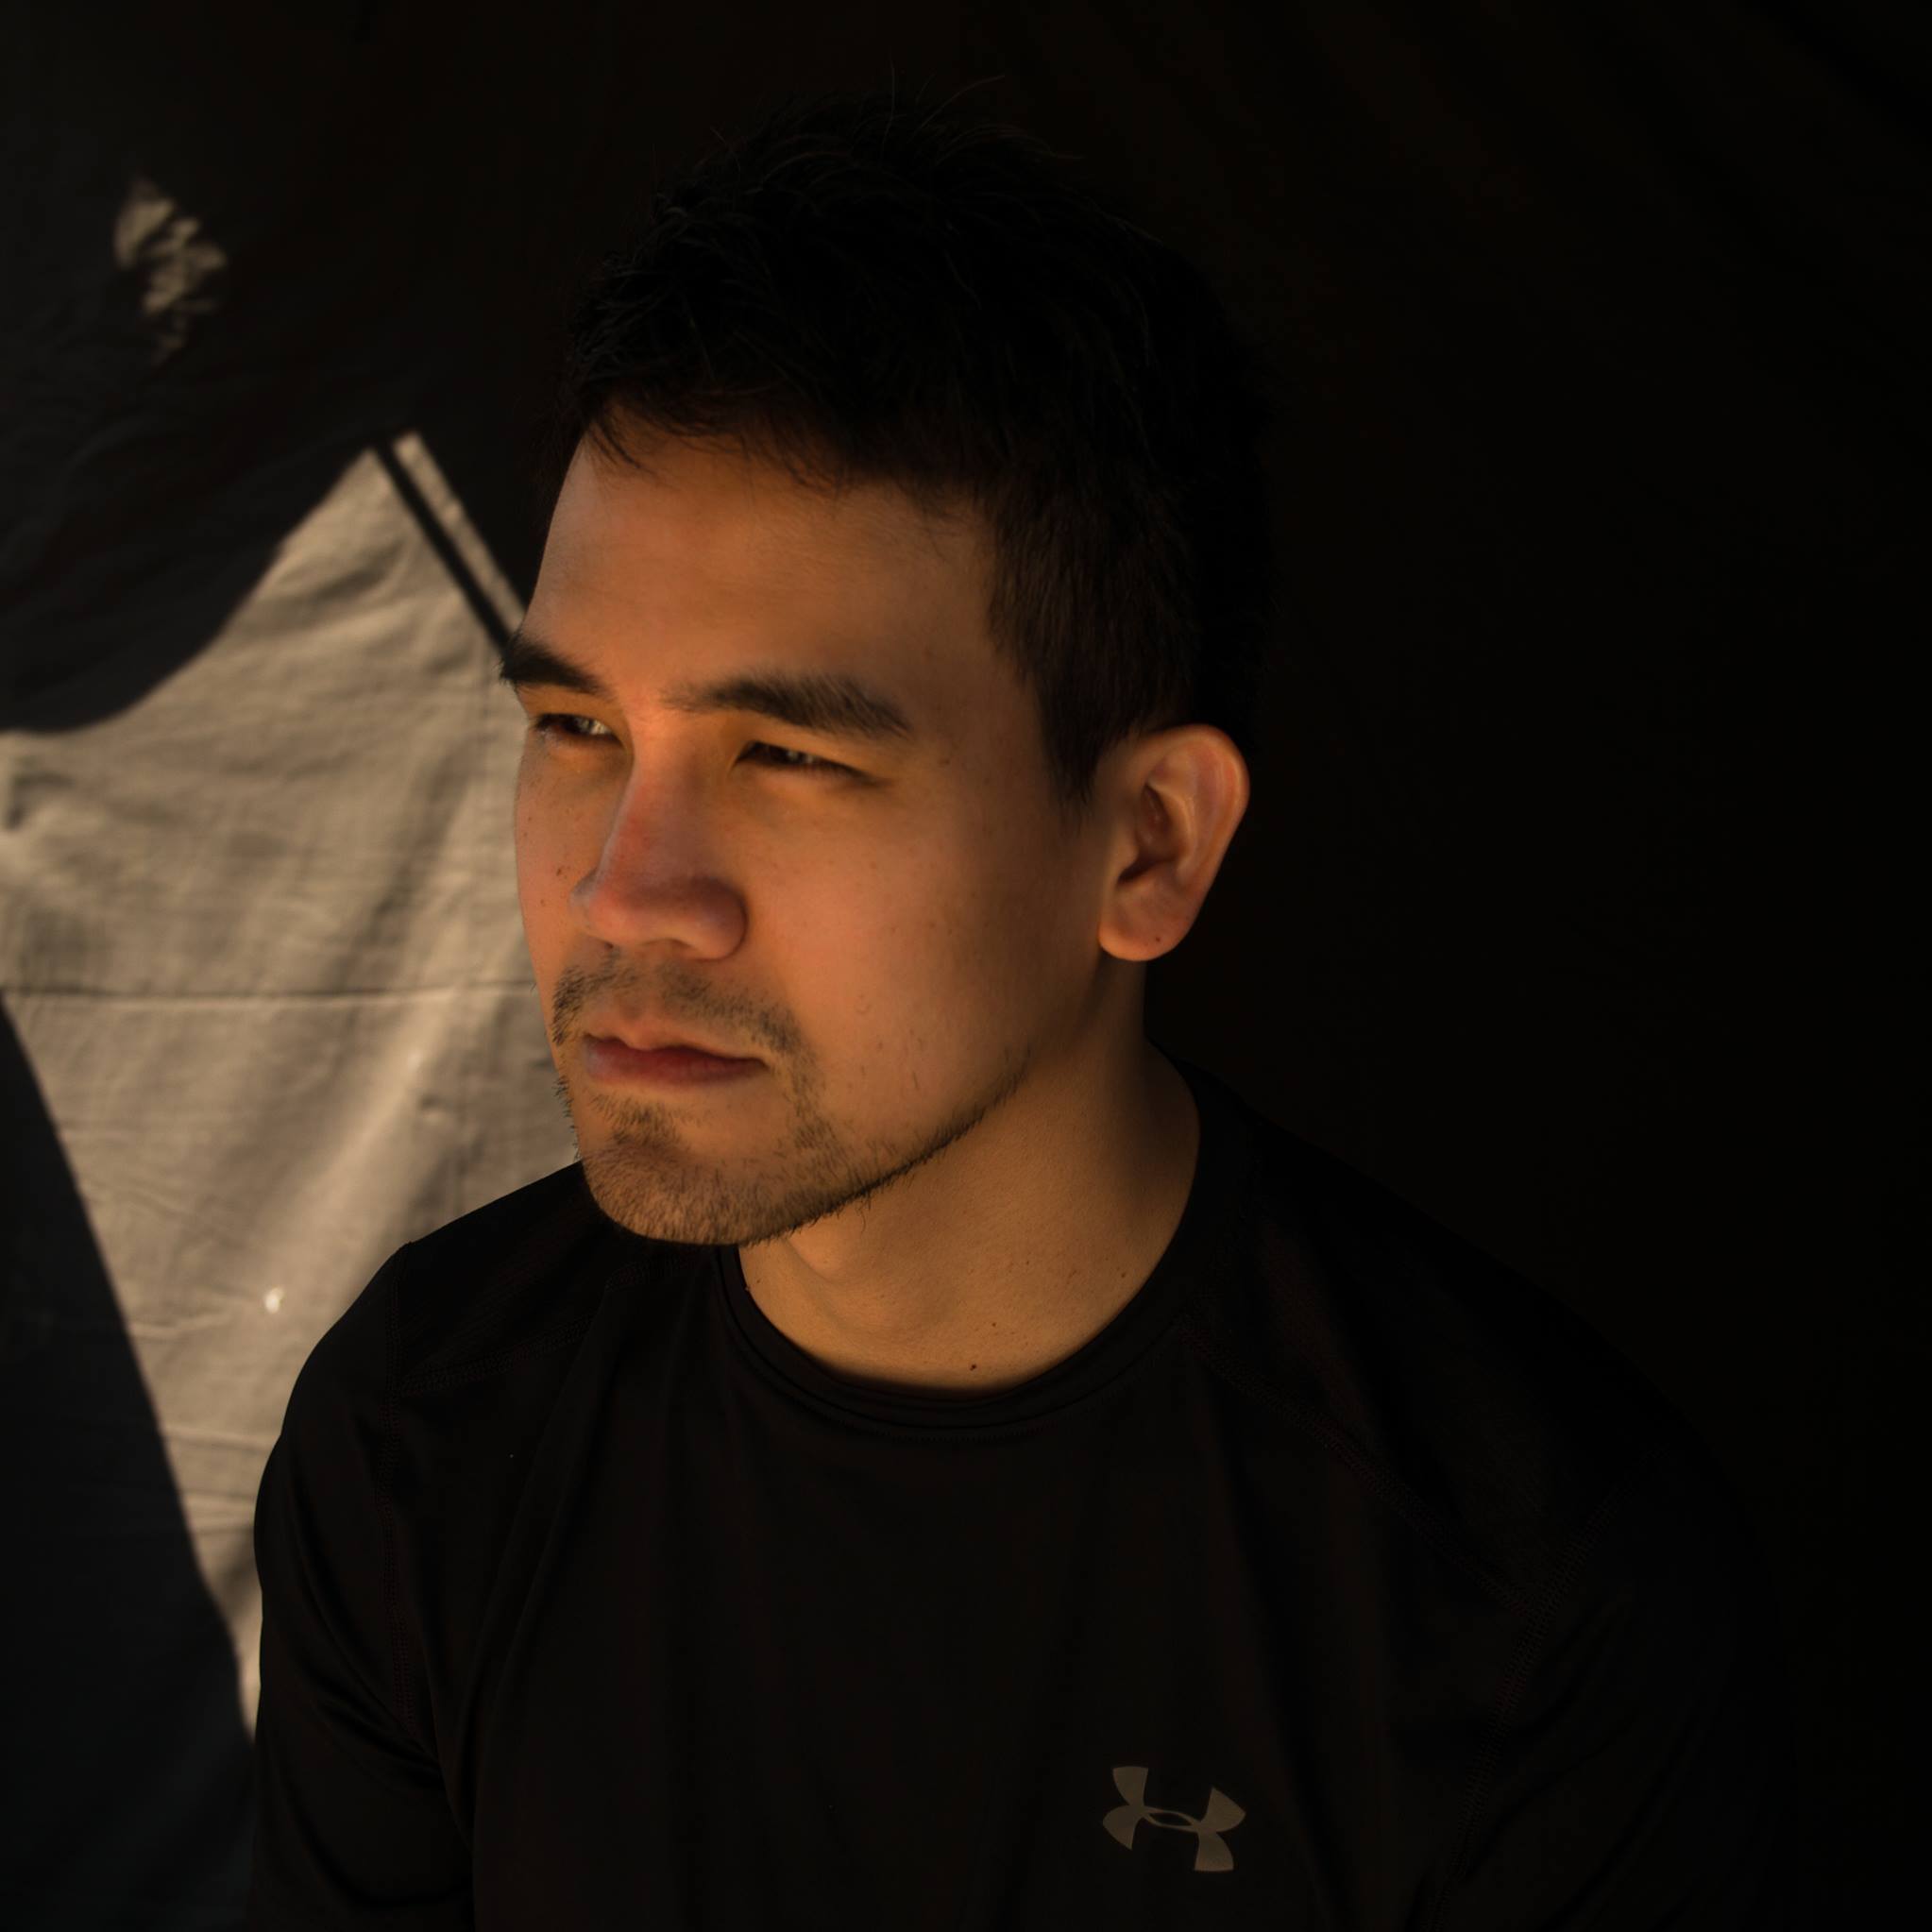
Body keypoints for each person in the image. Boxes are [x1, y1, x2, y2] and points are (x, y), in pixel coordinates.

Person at [246, 78, 1789, 1927]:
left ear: (1148, 845)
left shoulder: (1519, 1602)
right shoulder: (420, 1447)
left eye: (790, 755)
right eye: (578, 728)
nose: (625, 891)